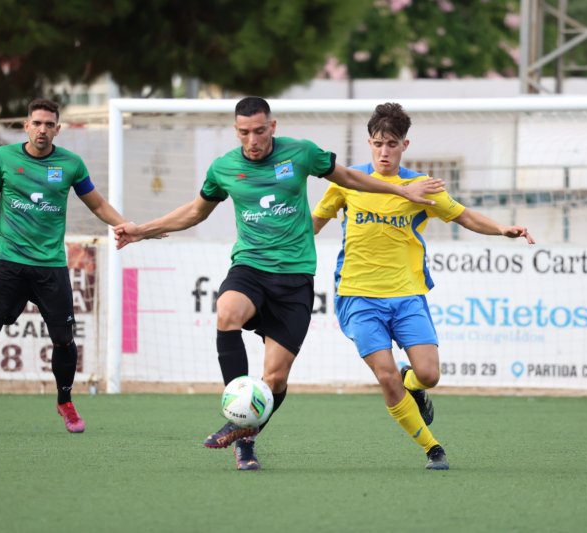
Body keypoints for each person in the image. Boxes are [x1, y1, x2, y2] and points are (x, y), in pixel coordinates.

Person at [113, 96, 444, 471]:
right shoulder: (224, 168)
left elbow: (351, 178)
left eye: (258, 131)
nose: (251, 140)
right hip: (251, 267)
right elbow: (194, 211)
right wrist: (142, 230)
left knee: (276, 378)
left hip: (295, 279)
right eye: (243, 133)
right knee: (227, 311)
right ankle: (237, 410)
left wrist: (402, 190)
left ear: (272, 127)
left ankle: (246, 438)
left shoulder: (301, 154)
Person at [312, 102, 535, 470]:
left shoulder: (420, 186)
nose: (384, 152)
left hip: (406, 295)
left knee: (429, 374)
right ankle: (433, 449)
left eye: (392, 144)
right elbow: (313, 225)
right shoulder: (347, 182)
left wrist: (501, 229)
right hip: (357, 295)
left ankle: (412, 383)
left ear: (405, 145)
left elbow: (462, 214)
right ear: (369, 143)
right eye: (378, 143)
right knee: (385, 376)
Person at [0, 98, 129, 435]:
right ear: (26, 126)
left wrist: (127, 226)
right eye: (36, 123)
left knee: (64, 340)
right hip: (7, 264)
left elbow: (97, 203)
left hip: (50, 267)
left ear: (58, 128)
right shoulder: (3, 159)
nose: (42, 129)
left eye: (49, 124)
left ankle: (65, 402)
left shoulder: (71, 164)